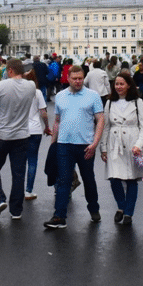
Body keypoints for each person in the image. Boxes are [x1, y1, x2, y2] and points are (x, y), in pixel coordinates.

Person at [44, 66, 105, 230]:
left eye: (80, 78)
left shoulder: (93, 96)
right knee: (63, 181)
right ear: (68, 78)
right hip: (64, 145)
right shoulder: (60, 96)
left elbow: (100, 120)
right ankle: (59, 217)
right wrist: (53, 144)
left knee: (88, 180)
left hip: (86, 146)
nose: (78, 81)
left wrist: (95, 143)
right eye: (74, 78)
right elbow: (57, 120)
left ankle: (94, 209)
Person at [0, 58, 37, 221]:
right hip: (22, 136)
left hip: (2, 136)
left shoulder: (1, 86)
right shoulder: (31, 86)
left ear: (10, 70)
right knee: (19, 174)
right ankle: (16, 210)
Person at [101, 71, 143, 226]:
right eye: (117, 84)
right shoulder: (109, 102)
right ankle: (121, 206)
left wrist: (139, 145)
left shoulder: (137, 102)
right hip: (114, 143)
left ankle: (128, 212)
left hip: (132, 143)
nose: (119, 87)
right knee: (114, 178)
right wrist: (103, 148)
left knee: (131, 179)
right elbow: (106, 127)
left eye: (122, 84)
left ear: (129, 85)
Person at [21, 68, 51, 200]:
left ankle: (18, 189)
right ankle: (28, 190)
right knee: (32, 161)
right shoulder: (37, 92)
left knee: (19, 162)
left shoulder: (18, 91)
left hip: (20, 130)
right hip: (35, 130)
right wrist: (47, 127)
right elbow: (43, 112)